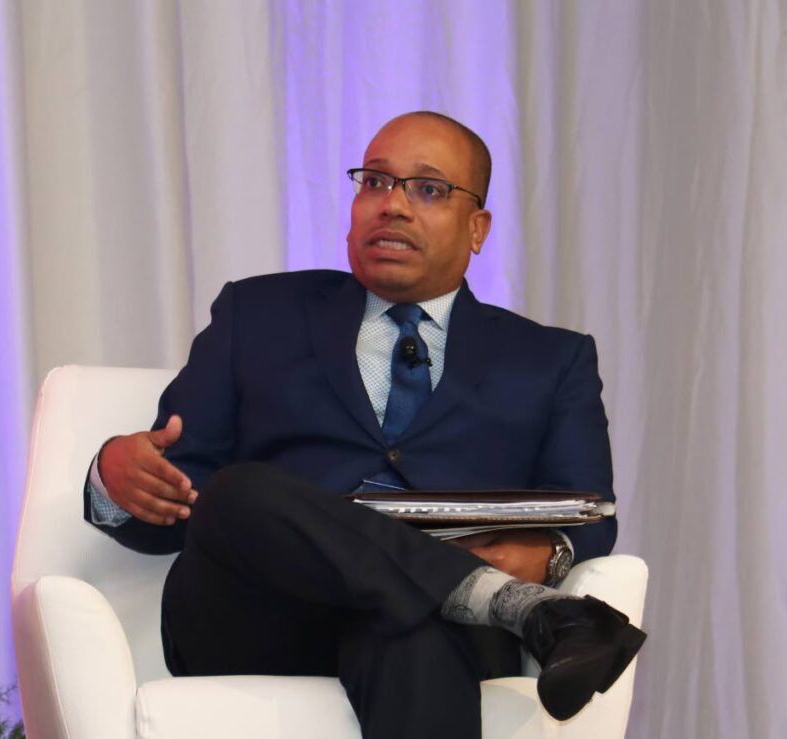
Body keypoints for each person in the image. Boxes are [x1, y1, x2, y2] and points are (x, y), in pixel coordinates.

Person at [83, 111, 645, 738]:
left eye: (428, 189)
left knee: (408, 625)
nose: (393, 206)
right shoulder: (258, 314)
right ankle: (515, 607)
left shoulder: (549, 360)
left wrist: (550, 552)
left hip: (436, 635)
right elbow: (179, 495)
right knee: (239, 491)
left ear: (477, 227)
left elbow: (590, 512)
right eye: (375, 182)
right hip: (259, 619)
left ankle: (473, 596)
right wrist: (113, 477)